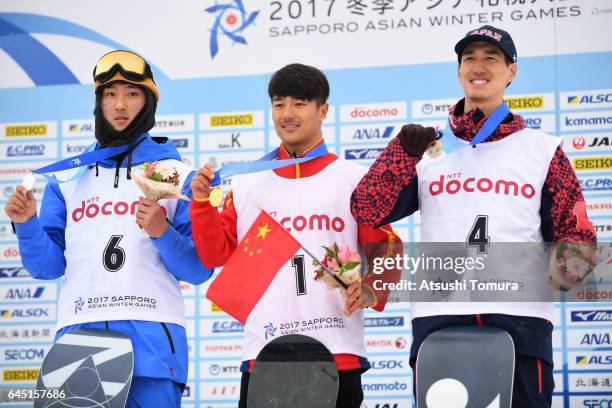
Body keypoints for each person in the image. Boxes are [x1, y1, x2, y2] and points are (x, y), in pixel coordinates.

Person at [350, 25, 596, 407]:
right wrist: (398, 155)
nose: (478, 66)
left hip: (519, 320)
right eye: (469, 58)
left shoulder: (543, 150)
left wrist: (563, 270)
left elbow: (577, 239)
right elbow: (367, 209)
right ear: (459, 70)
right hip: (441, 319)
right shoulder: (427, 148)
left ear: (511, 71)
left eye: (491, 58)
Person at [4, 50, 213, 407]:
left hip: (152, 340)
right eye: (110, 94)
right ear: (98, 101)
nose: (120, 105)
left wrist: (162, 231)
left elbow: (197, 269)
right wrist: (27, 226)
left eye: (132, 94)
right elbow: (47, 267)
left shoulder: (179, 176)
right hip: (79, 340)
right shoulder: (67, 176)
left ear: (148, 103)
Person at [189, 63, 400, 408]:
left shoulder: (353, 178)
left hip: (337, 350)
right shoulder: (246, 183)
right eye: (278, 103)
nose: (287, 114)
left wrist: (371, 285)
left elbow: (387, 246)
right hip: (265, 351)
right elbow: (214, 255)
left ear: (323, 110)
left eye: (299, 103)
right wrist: (200, 204)